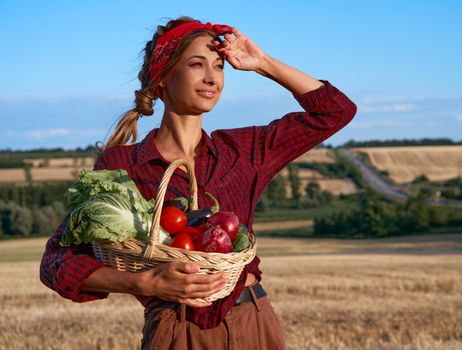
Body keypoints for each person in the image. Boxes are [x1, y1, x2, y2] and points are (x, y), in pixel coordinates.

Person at [40, 16, 357, 349]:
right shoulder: (123, 165)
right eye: (196, 64)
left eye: (219, 67)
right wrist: (144, 283)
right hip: (179, 329)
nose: (211, 78)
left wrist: (261, 62)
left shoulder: (243, 151)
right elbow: (57, 263)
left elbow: (336, 111)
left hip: (254, 321)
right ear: (162, 77)